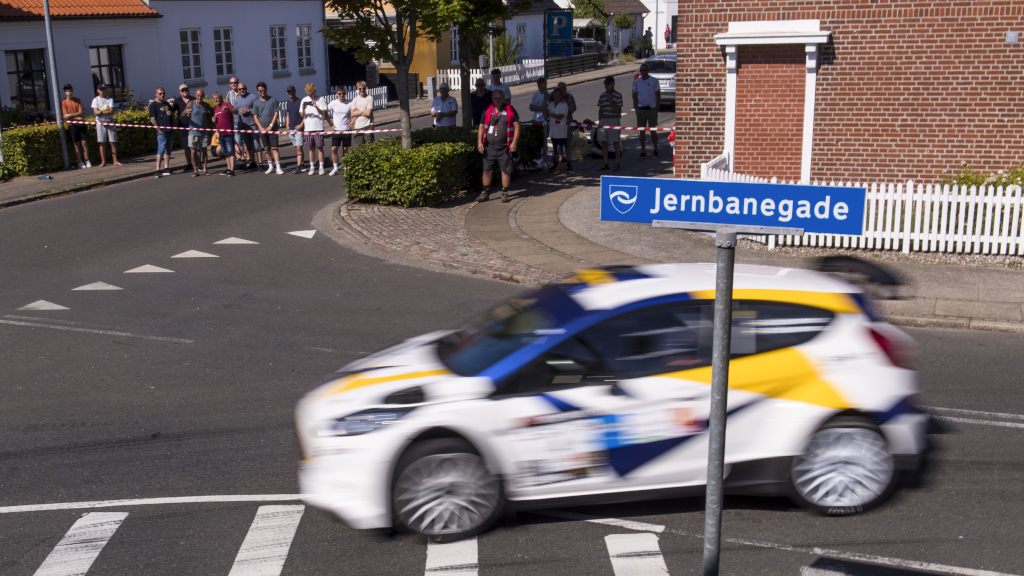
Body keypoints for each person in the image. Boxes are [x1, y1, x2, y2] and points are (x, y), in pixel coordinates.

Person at [476, 90, 520, 203]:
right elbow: (481, 127)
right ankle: (485, 192)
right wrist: (480, 142)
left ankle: (504, 192)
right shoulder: (487, 110)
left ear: (503, 98)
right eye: (495, 98)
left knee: (505, 171)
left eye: (499, 98)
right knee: (487, 171)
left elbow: (517, 127)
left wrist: (514, 143)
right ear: (492, 99)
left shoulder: (510, 110)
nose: (498, 100)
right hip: (489, 147)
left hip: (505, 147)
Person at [298, 83, 329, 176]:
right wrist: (303, 109)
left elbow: (323, 112)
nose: (310, 95)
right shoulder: (304, 100)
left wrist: (316, 106)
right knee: (311, 148)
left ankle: (321, 167)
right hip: (308, 128)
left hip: (318, 127)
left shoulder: (320, 99)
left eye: (311, 93)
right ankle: (311, 167)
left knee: (319, 147)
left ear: (315, 91)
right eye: (308, 93)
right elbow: (302, 115)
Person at [253, 82, 283, 174]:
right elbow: (255, 116)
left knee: (274, 147)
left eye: (264, 90)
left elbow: (276, 114)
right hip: (262, 129)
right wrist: (261, 127)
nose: (262, 92)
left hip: (272, 129)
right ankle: (270, 166)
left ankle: (278, 166)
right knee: (266, 148)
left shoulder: (272, 100)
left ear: (266, 89)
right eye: (260, 91)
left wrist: (270, 126)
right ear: (258, 91)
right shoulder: (256, 103)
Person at [632, 63, 661, 157]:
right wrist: (636, 107)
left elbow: (658, 95)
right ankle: (643, 151)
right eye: (641, 70)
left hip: (651, 108)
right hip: (641, 109)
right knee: (642, 131)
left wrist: (657, 108)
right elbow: (635, 94)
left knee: (652, 130)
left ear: (648, 71)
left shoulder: (654, 81)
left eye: (645, 70)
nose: (643, 72)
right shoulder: (637, 82)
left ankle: (655, 148)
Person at [91, 84, 122, 167]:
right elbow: (95, 113)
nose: (103, 91)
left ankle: (115, 161)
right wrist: (104, 110)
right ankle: (103, 161)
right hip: (100, 122)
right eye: (101, 89)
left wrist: (100, 111)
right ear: (97, 91)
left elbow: (111, 111)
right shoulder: (95, 100)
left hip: (110, 121)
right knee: (102, 142)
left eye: (104, 89)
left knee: (113, 142)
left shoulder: (110, 99)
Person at [184, 88, 213, 176]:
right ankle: (195, 170)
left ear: (203, 96)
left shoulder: (206, 105)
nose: (199, 97)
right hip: (193, 132)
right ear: (195, 96)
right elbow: (182, 114)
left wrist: (208, 119)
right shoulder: (191, 103)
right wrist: (186, 112)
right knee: (193, 151)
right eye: (198, 96)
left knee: (204, 150)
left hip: (203, 132)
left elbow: (213, 111)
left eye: (201, 96)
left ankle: (205, 168)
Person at [597, 76, 623, 171]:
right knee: (603, 142)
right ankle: (605, 162)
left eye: (608, 83)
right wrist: (600, 120)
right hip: (604, 120)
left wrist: (611, 101)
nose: (606, 85)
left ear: (613, 84)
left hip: (613, 119)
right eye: (605, 83)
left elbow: (618, 110)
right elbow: (600, 108)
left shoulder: (618, 95)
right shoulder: (602, 95)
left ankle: (617, 163)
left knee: (616, 142)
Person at [232, 82, 260, 171]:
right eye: (239, 89)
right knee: (248, 145)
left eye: (243, 88)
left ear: (246, 88)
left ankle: (260, 163)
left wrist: (248, 110)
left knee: (256, 144)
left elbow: (258, 109)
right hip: (243, 126)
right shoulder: (238, 99)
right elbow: (236, 112)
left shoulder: (252, 97)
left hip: (253, 124)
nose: (241, 90)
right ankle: (253, 162)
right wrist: (237, 122)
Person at [60, 84, 89, 169]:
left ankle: (87, 160)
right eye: (67, 91)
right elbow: (65, 116)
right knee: (76, 144)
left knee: (84, 143)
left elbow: (81, 112)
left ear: (72, 91)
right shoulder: (64, 102)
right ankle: (80, 162)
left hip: (81, 124)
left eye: (70, 91)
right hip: (72, 125)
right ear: (65, 92)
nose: (69, 93)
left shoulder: (77, 100)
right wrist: (77, 117)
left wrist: (71, 116)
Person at [327, 86, 354, 176]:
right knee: (334, 148)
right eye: (340, 94)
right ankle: (335, 167)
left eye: (343, 94)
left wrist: (352, 121)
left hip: (346, 130)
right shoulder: (333, 103)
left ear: (345, 94)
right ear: (337, 94)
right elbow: (325, 112)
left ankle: (345, 166)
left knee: (345, 149)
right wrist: (330, 124)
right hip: (337, 130)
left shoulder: (350, 103)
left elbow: (356, 112)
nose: (341, 95)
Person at [149, 87, 174, 178]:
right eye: (160, 94)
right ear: (156, 94)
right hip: (162, 132)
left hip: (169, 130)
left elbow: (172, 113)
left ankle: (166, 168)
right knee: (161, 149)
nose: (162, 95)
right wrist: (158, 130)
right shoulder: (153, 105)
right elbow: (153, 119)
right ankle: (157, 170)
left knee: (168, 149)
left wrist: (170, 114)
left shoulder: (166, 103)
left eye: (163, 93)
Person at [212, 92, 237, 176]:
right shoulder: (216, 109)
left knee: (230, 152)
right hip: (220, 134)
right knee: (225, 152)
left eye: (217, 98)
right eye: (214, 98)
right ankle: (228, 168)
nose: (216, 99)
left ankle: (232, 170)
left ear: (221, 98)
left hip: (228, 133)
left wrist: (228, 109)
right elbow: (217, 120)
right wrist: (213, 120)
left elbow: (236, 111)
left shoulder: (227, 104)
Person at [172, 84, 195, 173]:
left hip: (194, 126)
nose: (184, 92)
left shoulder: (193, 99)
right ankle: (189, 164)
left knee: (195, 146)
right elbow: (171, 113)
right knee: (186, 147)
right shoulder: (177, 101)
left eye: (186, 90)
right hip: (183, 127)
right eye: (182, 90)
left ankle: (197, 163)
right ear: (180, 92)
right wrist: (174, 124)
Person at [226, 76, 249, 165]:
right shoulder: (229, 94)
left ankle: (248, 156)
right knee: (238, 139)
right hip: (234, 119)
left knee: (246, 138)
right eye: (232, 83)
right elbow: (227, 106)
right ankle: (242, 156)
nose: (233, 84)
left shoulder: (242, 92)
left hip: (244, 118)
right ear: (230, 84)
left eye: (235, 82)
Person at [528, 77, 550, 168]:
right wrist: (540, 108)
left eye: (541, 84)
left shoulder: (548, 95)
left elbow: (546, 108)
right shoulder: (535, 95)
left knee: (544, 140)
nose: (539, 86)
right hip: (536, 120)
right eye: (538, 84)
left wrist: (538, 108)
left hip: (544, 121)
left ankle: (544, 159)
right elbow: (531, 107)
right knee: (536, 140)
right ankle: (535, 157)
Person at [284, 85, 306, 173]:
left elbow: (305, 115)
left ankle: (298, 166)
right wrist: (287, 124)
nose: (290, 93)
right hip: (291, 129)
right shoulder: (288, 103)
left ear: (295, 91)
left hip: (298, 129)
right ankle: (302, 163)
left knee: (299, 148)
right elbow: (288, 114)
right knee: (297, 148)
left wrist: (301, 125)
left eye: (291, 91)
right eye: (288, 92)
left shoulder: (300, 102)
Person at [547, 88, 569, 174]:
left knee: (560, 149)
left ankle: (559, 167)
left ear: (561, 96)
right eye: (554, 95)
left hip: (560, 130)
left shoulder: (564, 105)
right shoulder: (551, 104)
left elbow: (560, 117)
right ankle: (556, 165)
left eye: (557, 95)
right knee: (555, 150)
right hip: (552, 130)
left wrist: (549, 113)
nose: (555, 97)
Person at [557, 82, 576, 171]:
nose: (562, 91)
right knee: (558, 146)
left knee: (568, 144)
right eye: (560, 89)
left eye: (564, 89)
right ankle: (558, 164)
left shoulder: (569, 97)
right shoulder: (555, 97)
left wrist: (567, 104)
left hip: (567, 124)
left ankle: (569, 162)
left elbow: (573, 110)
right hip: (558, 125)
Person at [351, 81, 375, 146]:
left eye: (363, 88)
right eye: (360, 89)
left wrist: (357, 111)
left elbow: (368, 113)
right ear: (357, 89)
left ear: (365, 88)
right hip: (358, 126)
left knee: (369, 145)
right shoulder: (355, 99)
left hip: (368, 125)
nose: (362, 90)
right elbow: (352, 114)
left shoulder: (370, 98)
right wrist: (363, 110)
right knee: (360, 146)